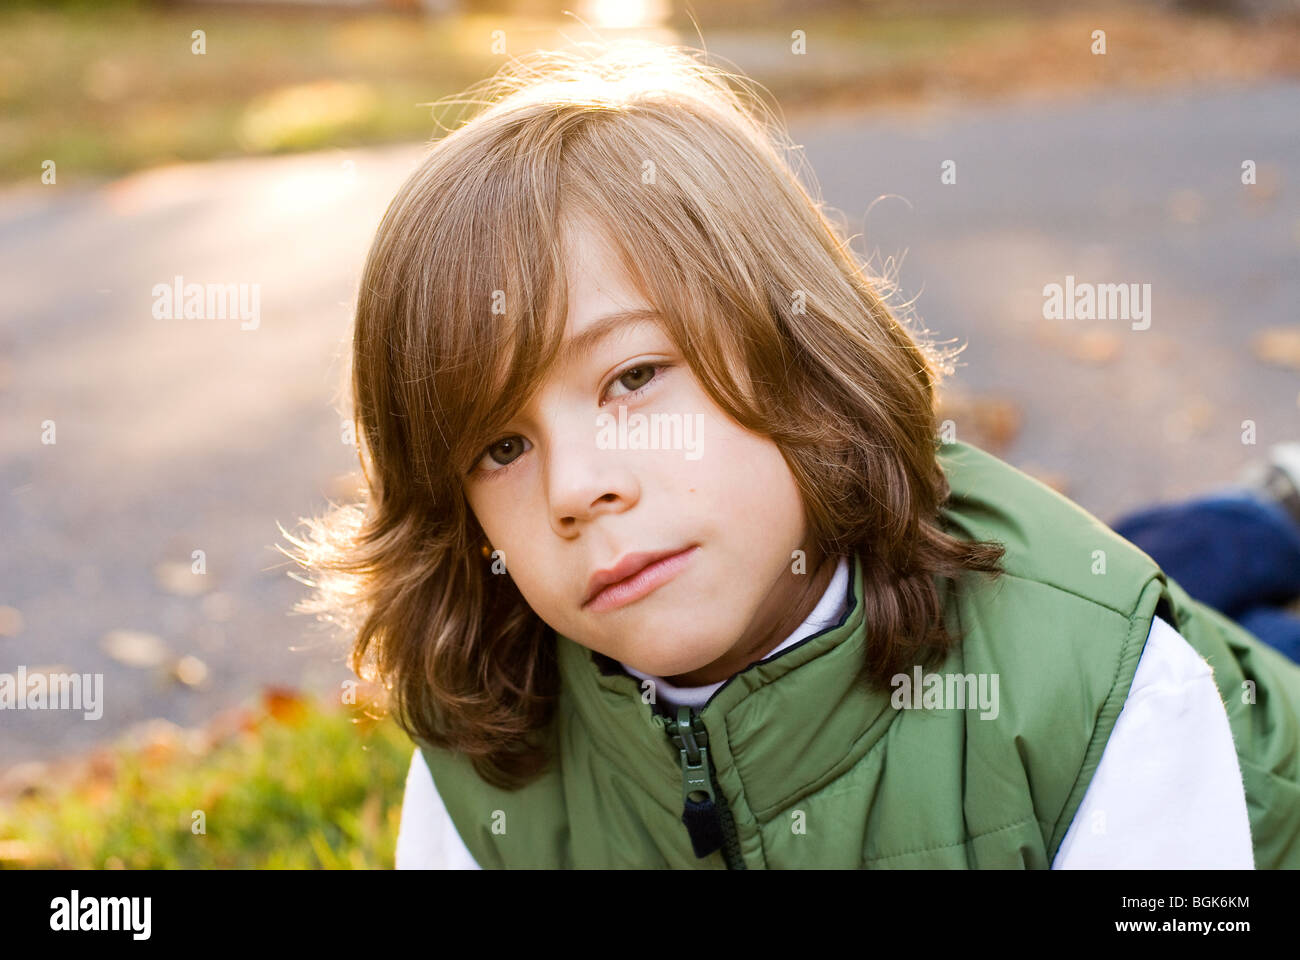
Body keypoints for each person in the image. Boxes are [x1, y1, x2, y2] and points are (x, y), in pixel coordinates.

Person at [282, 41, 1300, 869]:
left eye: (633, 377)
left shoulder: (1109, 697)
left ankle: (1263, 517)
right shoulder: (481, 781)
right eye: (501, 445)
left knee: (1125, 602)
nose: (577, 486)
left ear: (801, 357)